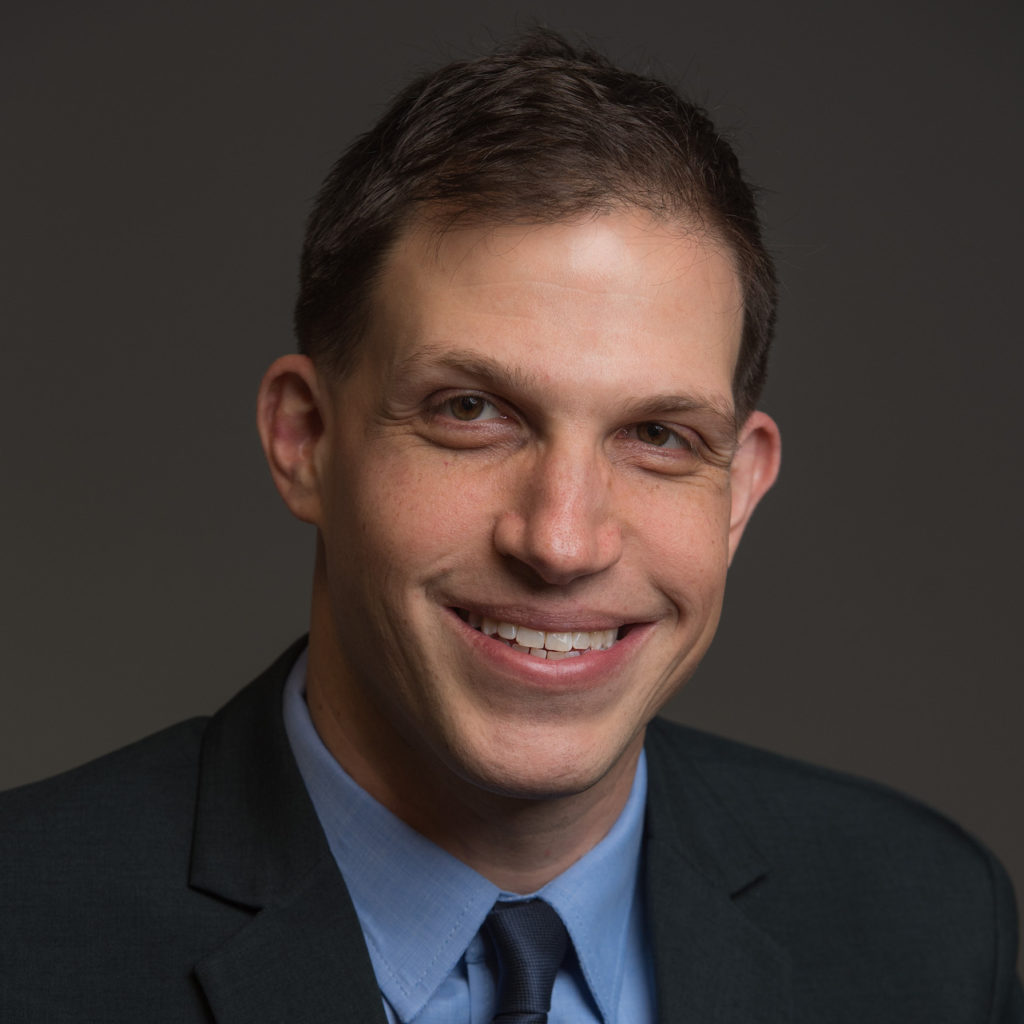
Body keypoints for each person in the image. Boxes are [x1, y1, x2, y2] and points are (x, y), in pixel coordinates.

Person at [1, 30, 1020, 1024]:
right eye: (470, 412)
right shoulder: (26, 934)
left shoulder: (924, 924)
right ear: (304, 438)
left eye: (658, 434)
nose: (562, 541)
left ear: (740, 489)